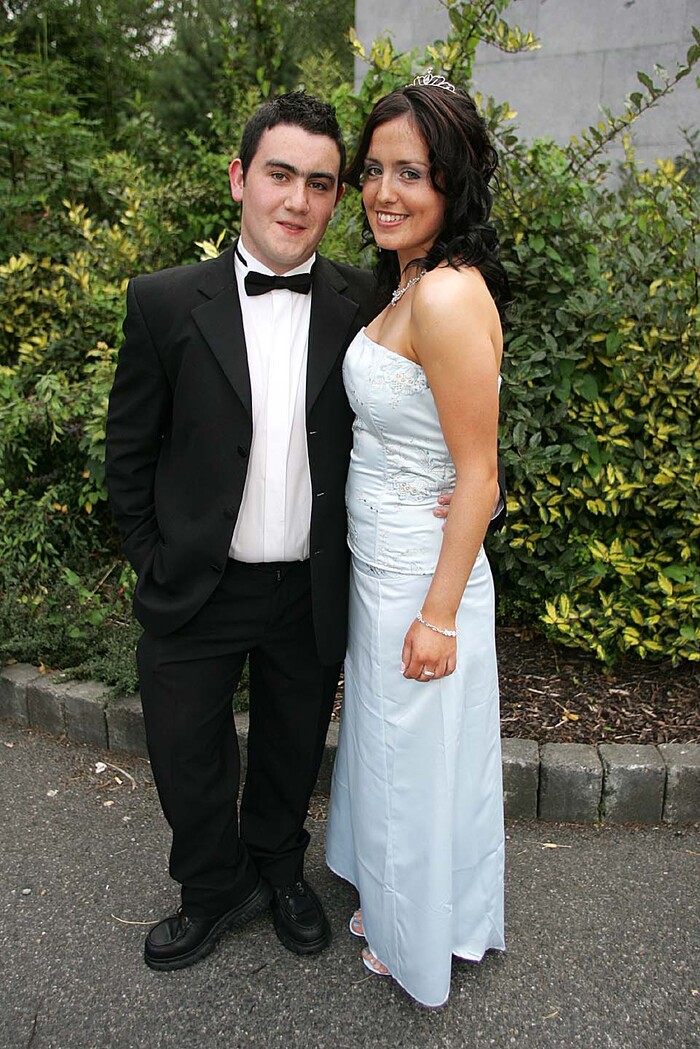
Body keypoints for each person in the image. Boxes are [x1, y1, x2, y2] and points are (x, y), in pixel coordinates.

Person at [105, 92, 378, 971]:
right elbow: (129, 450)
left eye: (320, 183)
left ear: (336, 198)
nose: (297, 200)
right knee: (185, 752)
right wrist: (153, 554)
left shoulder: (366, 301)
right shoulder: (162, 302)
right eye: (279, 175)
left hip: (308, 584)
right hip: (198, 579)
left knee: (293, 748)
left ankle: (279, 868)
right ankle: (213, 885)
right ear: (239, 178)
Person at [326, 71, 509, 1007]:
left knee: (414, 757)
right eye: (374, 170)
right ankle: (412, 900)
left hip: (422, 581)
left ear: (452, 183)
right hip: (384, 564)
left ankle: (420, 934)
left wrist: (438, 616)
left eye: (411, 173)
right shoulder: (408, 280)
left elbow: (479, 473)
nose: (384, 192)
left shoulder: (443, 296)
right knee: (397, 752)